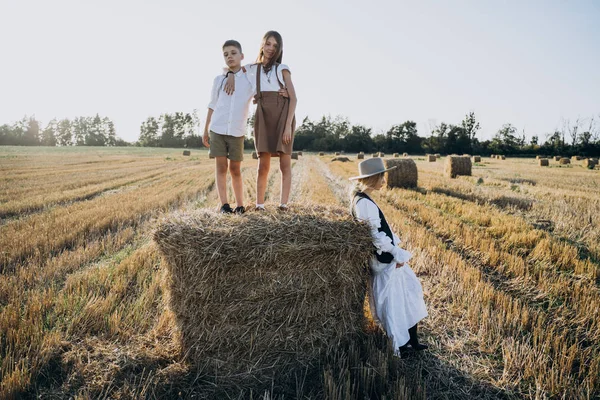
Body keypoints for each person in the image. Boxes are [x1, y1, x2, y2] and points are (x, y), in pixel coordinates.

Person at [349, 158, 428, 354]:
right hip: (384, 260)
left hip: (387, 257)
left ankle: (411, 340)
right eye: (382, 176)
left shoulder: (363, 199)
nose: (384, 180)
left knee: (408, 294)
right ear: (372, 178)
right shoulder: (363, 203)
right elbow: (375, 235)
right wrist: (396, 255)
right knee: (394, 303)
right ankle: (400, 345)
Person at [224, 30, 297, 211]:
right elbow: (229, 68)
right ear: (262, 45)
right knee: (262, 164)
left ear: (279, 49)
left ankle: (283, 205)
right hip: (263, 115)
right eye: (268, 44)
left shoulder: (282, 68)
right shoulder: (252, 68)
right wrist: (231, 75)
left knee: (284, 163)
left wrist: (288, 126)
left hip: (282, 117)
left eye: (275, 45)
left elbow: (294, 98)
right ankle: (260, 205)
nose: (271, 48)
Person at [203, 39, 255, 214]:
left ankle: (240, 205)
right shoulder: (219, 80)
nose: (229, 57)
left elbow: (258, 70)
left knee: (235, 169)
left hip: (237, 131)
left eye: (233, 53)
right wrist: (205, 129)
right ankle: (225, 205)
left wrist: (233, 74)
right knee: (221, 167)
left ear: (242, 56)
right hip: (217, 128)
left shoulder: (249, 81)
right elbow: (212, 104)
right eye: (226, 55)